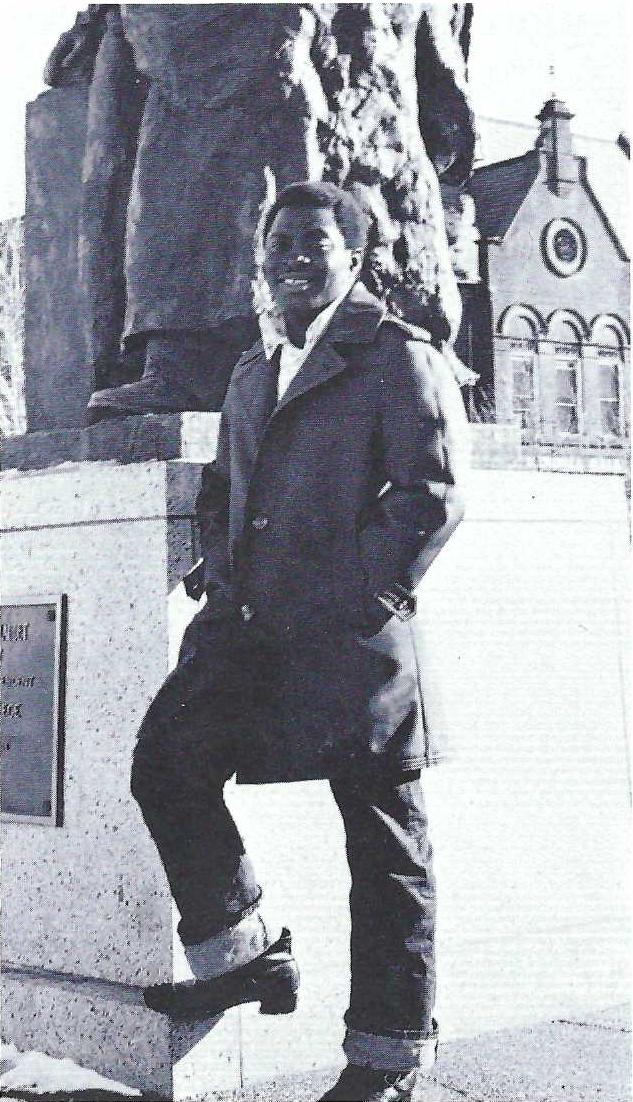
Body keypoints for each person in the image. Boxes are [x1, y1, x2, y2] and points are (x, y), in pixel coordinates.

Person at [130, 182, 469, 1102]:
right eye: (278, 242)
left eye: (312, 242)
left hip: (352, 642)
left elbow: (432, 494)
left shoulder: (395, 355)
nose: (292, 258)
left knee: (385, 847)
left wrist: (359, 594)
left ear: (353, 257)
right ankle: (246, 958)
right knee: (165, 763)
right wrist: (218, 569)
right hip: (243, 632)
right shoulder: (254, 366)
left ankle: (388, 1059)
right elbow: (224, 482)